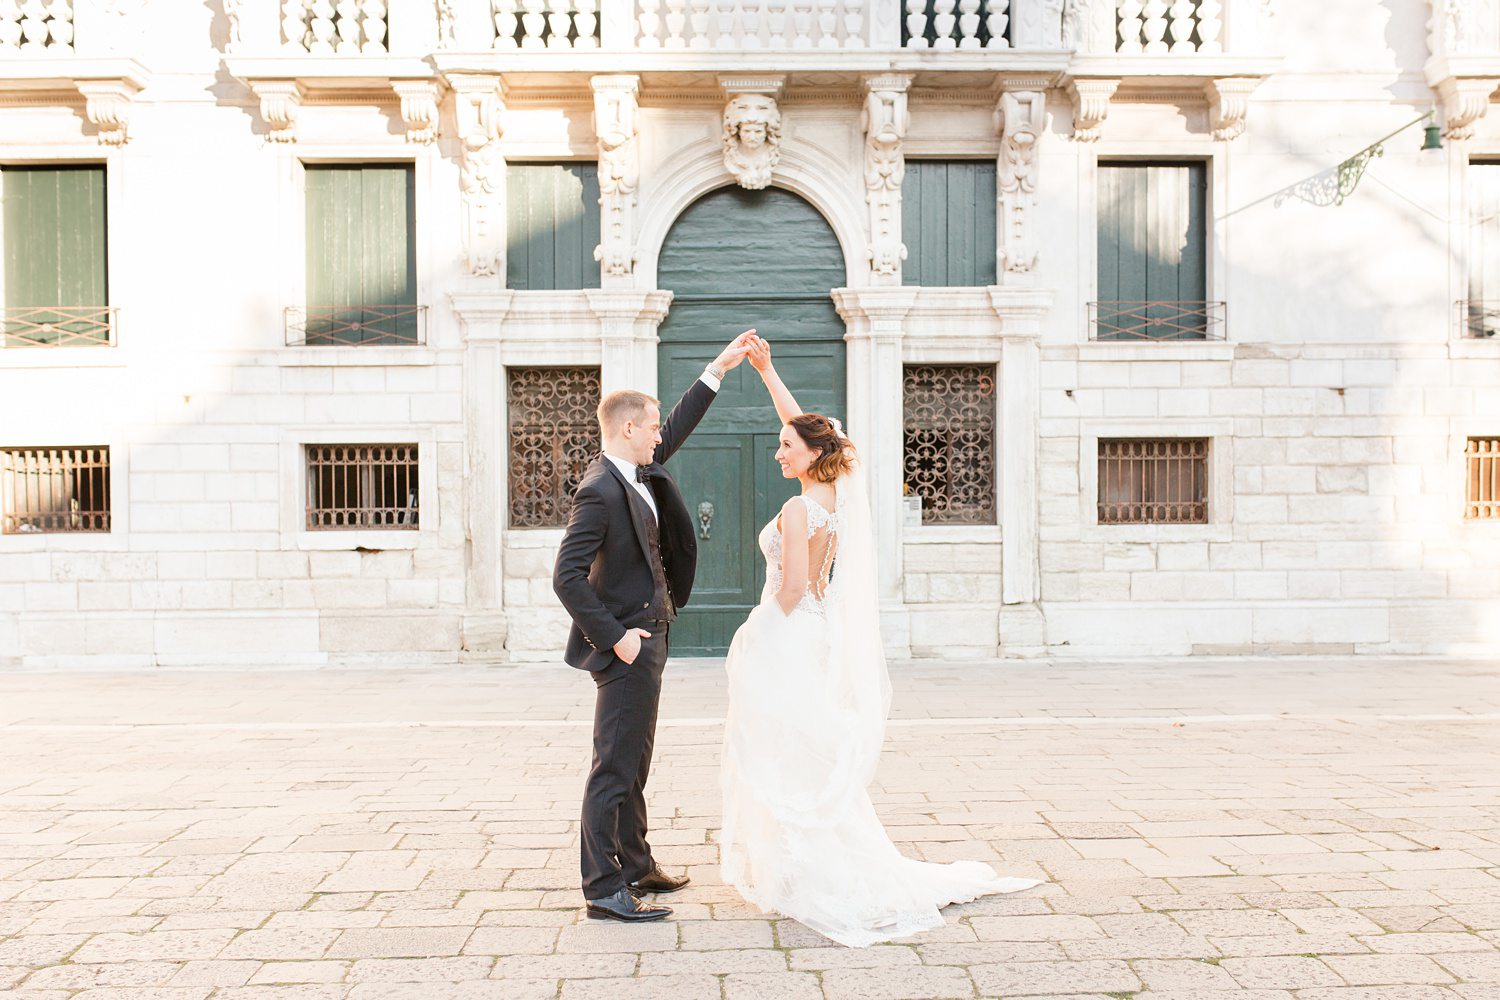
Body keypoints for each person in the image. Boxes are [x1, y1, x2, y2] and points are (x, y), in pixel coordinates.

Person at [718, 335, 1041, 947]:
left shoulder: (795, 510)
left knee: (782, 751)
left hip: (786, 631)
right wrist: (768, 372)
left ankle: (803, 874)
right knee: (802, 750)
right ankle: (801, 867)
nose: (778, 451)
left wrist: (749, 634)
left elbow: (786, 591)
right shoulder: (834, 498)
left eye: (787, 446)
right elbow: (805, 427)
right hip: (813, 631)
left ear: (812, 454)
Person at [553, 330, 755, 922]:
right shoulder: (598, 491)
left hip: (652, 636)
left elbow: (683, 421)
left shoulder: (636, 469)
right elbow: (566, 577)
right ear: (626, 430)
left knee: (636, 758)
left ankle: (636, 864)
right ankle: (602, 889)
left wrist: (719, 366)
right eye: (653, 426)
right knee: (612, 765)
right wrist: (614, 637)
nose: (661, 433)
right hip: (625, 644)